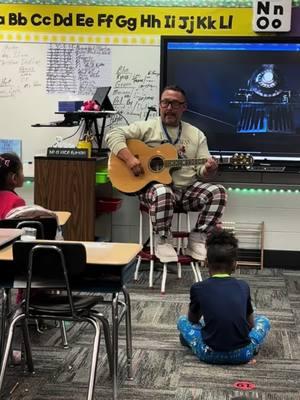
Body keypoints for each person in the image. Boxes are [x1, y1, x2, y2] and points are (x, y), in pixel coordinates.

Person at [106, 85, 227, 263]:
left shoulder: (197, 134)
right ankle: (162, 238)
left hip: (186, 191)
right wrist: (131, 159)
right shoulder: (147, 127)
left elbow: (203, 172)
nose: (169, 108)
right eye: (165, 103)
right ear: (160, 104)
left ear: (184, 107)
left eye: (175, 104)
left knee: (219, 192)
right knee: (163, 191)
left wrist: (209, 169)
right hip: (154, 192)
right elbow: (113, 135)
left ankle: (198, 238)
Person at [177, 229, 270, 364]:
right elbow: (250, 324)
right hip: (243, 354)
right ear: (235, 264)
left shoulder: (198, 288)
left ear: (206, 262)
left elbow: (192, 320)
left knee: (182, 321)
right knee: (263, 320)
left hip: (209, 354)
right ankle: (253, 348)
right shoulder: (243, 286)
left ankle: (191, 341)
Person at [0, 152, 25, 219]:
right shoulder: (17, 202)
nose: (23, 175)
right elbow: (17, 228)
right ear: (14, 178)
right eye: (22, 171)